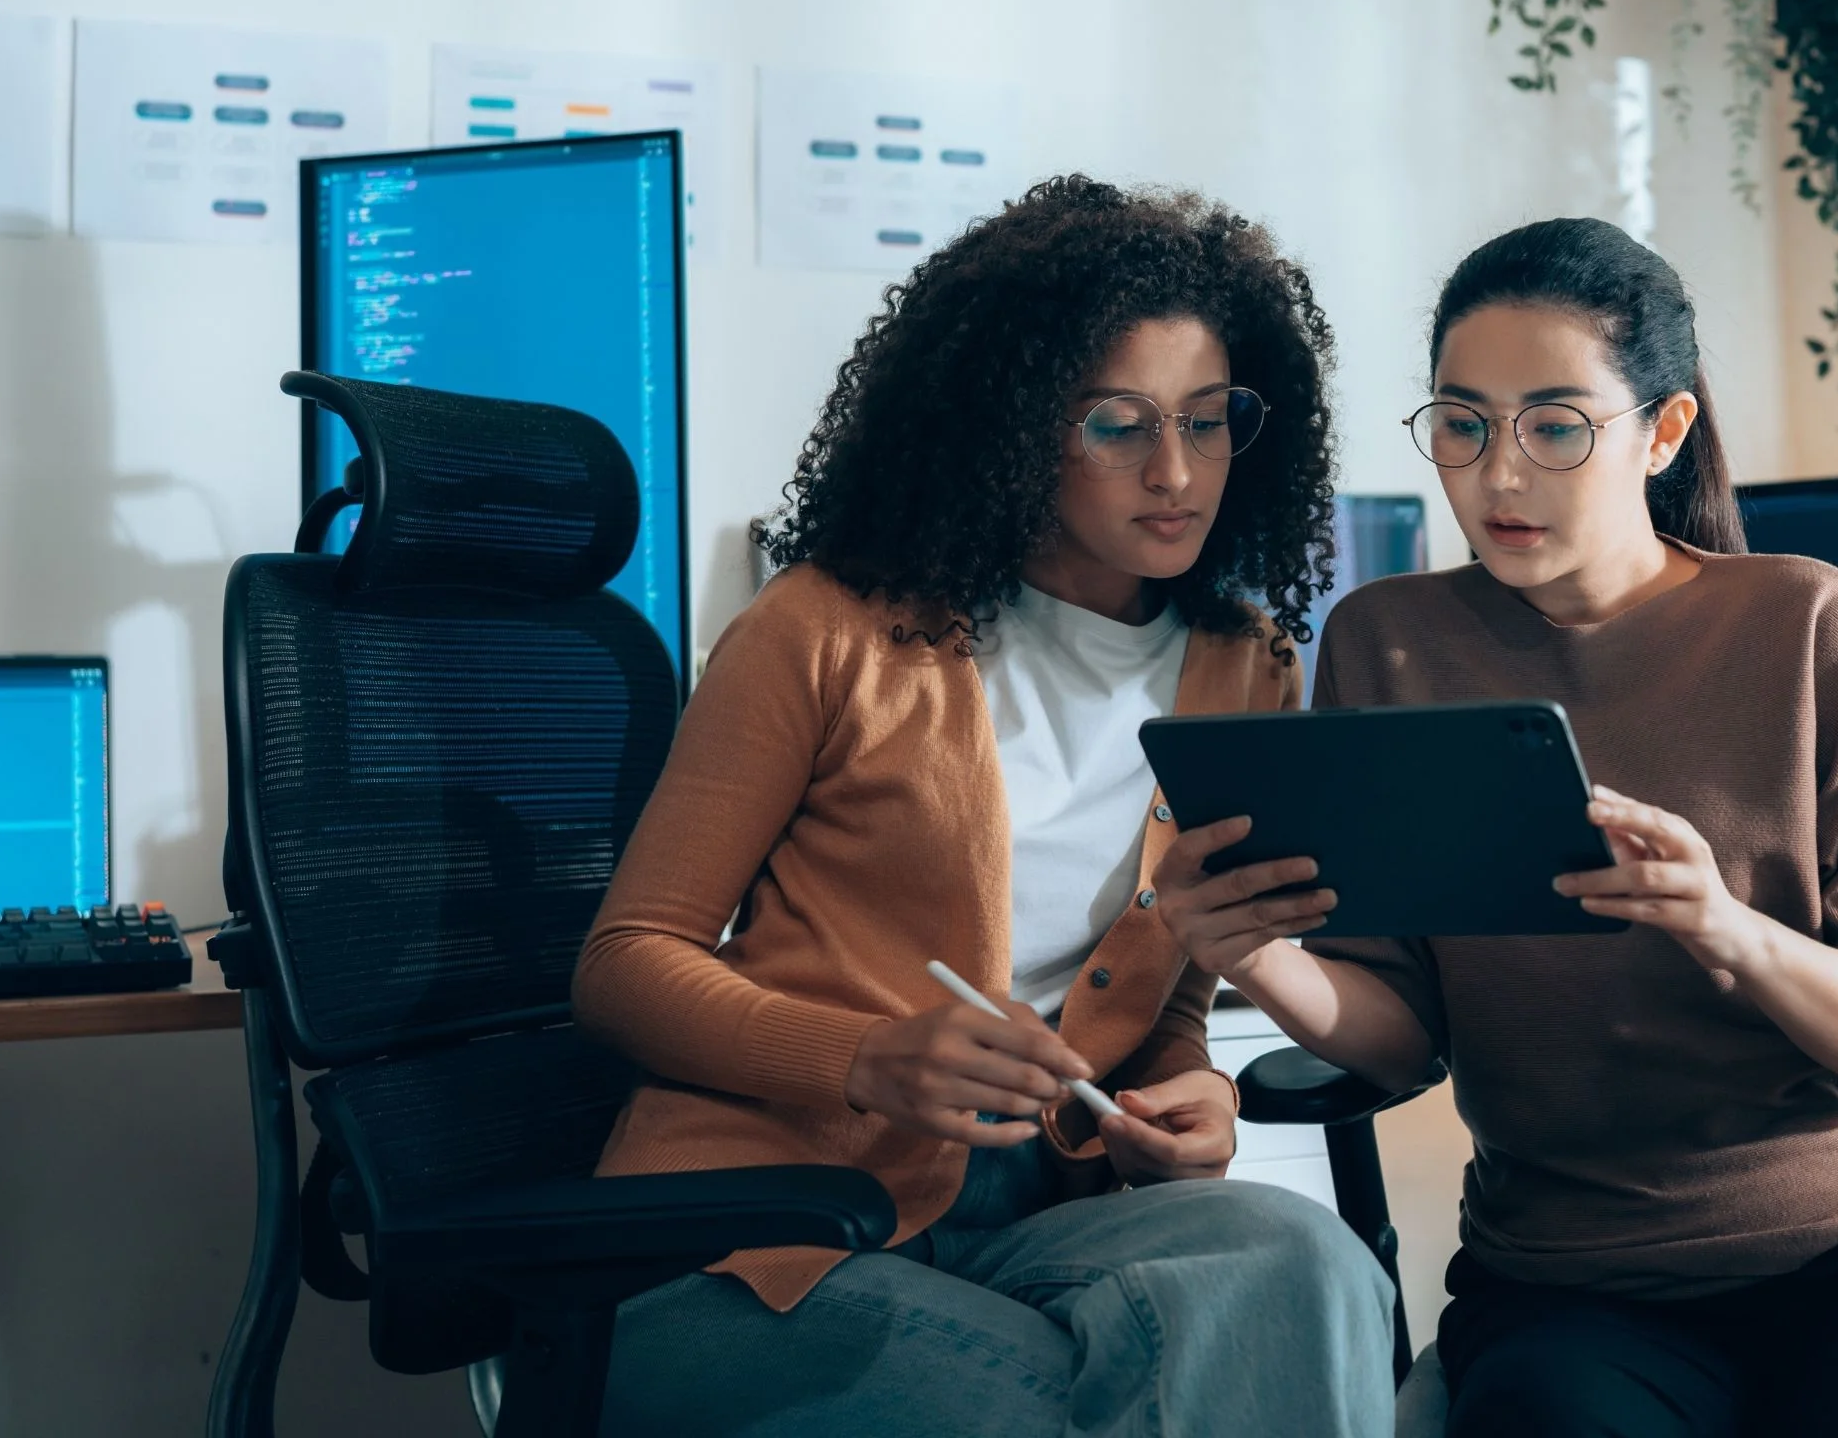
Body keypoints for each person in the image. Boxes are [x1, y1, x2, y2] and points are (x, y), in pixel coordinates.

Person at [1154, 217, 1838, 1438]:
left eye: (1554, 426)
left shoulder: (1806, 624)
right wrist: (1256, 958)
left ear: (1663, 429)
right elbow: (1401, 1041)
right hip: (1572, 1288)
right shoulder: (1388, 644)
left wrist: (1725, 929)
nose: (1496, 476)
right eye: (1462, 424)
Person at [574, 177, 1395, 1438]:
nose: (1175, 472)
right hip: (753, 1239)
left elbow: (1166, 981)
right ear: (1011, 427)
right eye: (1117, 425)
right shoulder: (825, 629)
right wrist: (862, 1059)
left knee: (1308, 1270)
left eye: (1209, 419)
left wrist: (1192, 1100)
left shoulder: (1245, 665)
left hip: (1034, 1226)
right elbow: (626, 966)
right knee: (1102, 1407)